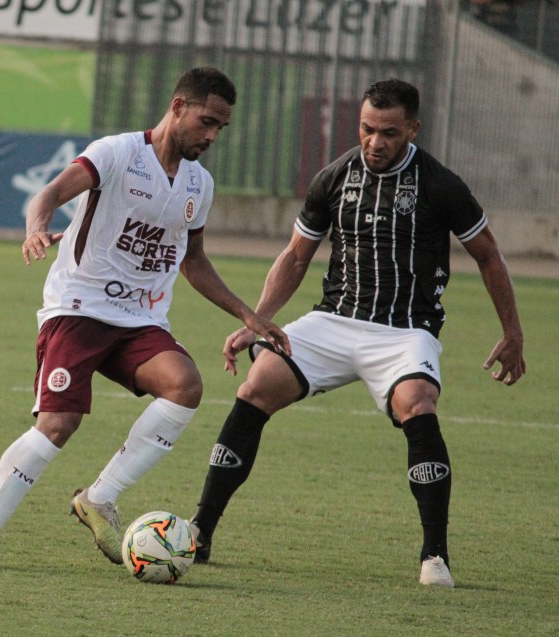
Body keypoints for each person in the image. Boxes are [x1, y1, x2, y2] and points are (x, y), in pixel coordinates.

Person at [0, 66, 290, 571]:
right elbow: (48, 194)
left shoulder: (199, 183)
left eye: (221, 127)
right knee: (58, 424)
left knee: (184, 385)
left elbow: (193, 261)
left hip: (139, 318)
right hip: (79, 308)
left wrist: (249, 314)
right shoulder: (117, 153)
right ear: (178, 107)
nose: (213, 135)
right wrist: (36, 228)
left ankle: (99, 497)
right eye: (207, 121)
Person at [188, 79, 525, 587]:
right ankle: (201, 530)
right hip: (334, 320)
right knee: (256, 386)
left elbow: (488, 256)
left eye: (389, 133)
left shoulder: (440, 184)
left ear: (413, 129)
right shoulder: (334, 177)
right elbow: (295, 256)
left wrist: (512, 332)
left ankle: (435, 555)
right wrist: (255, 321)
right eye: (367, 129)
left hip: (404, 330)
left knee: (417, 403)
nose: (374, 142)